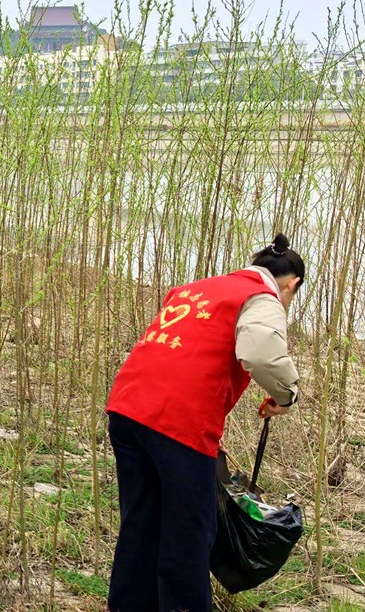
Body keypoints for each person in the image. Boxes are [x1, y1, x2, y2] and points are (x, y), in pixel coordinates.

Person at [105, 234, 304, 612]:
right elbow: (260, 353)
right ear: (291, 284)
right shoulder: (262, 298)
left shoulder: (198, 288)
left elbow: (183, 359)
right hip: (177, 424)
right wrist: (286, 396)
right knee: (188, 538)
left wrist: (206, 432)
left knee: (140, 525)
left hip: (127, 409)